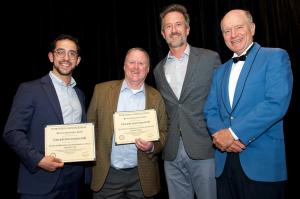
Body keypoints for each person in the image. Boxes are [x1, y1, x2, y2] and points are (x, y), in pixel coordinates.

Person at [204, 9, 293, 199]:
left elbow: (276, 103)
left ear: (252, 28)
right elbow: (210, 110)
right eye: (227, 31)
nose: (233, 35)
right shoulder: (220, 71)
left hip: (262, 166)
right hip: (224, 163)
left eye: (238, 27)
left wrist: (233, 133)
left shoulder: (275, 56)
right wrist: (224, 139)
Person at [3, 34, 91, 199]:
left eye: (72, 54)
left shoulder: (79, 94)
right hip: (40, 179)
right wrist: (38, 160)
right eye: (61, 52)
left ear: (78, 60)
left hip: (73, 181)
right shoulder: (30, 89)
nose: (66, 58)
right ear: (51, 57)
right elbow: (12, 132)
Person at [153, 4, 221, 199]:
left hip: (204, 147)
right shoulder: (158, 70)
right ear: (163, 33)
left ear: (187, 29)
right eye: (168, 26)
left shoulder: (210, 58)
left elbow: (221, 101)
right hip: (171, 152)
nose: (174, 30)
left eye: (178, 24)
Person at [87, 47, 168, 199]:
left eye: (141, 63)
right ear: (124, 66)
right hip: (108, 175)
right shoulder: (101, 91)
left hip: (142, 176)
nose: (136, 67)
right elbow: (90, 127)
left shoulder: (156, 97)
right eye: (132, 62)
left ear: (148, 69)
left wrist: (152, 146)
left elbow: (164, 133)